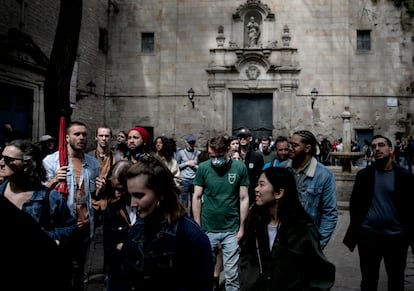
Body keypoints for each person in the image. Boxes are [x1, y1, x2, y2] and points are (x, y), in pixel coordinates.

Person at [122, 153, 214, 290]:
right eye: (130, 195)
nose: (133, 203)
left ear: (160, 193)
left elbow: (202, 284)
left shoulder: (190, 234)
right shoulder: (136, 230)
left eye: (139, 196)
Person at [239, 167, 335, 290]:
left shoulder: (302, 229)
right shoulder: (255, 222)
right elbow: (245, 257)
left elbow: (321, 273)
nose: (256, 189)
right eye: (257, 184)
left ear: (279, 193)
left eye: (262, 185)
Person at [0, 139, 76, 290]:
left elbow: (71, 228)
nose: (2, 162)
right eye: (1, 157)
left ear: (28, 165)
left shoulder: (50, 198)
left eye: (9, 160)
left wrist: (46, 236)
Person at [343, 135, 414, 291]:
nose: (376, 149)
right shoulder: (364, 175)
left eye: (381, 145)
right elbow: (355, 204)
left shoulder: (404, 176)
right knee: (368, 281)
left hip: (396, 237)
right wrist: (359, 229)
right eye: (374, 147)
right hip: (369, 236)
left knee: (396, 280)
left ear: (391, 149)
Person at [43, 120, 101, 291]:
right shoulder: (51, 161)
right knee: (60, 270)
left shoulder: (93, 164)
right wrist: (54, 181)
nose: (81, 138)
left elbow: (92, 194)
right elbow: (40, 195)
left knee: (79, 271)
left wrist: (100, 188)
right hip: (61, 225)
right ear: (67, 137)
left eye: (84, 134)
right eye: (77, 134)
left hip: (84, 224)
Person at [192, 135, 250, 291]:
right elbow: (196, 196)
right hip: (208, 228)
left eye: (219, 156)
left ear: (227, 151)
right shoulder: (204, 168)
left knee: (232, 276)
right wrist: (197, 225)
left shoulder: (239, 168)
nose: (216, 159)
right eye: (212, 156)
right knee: (206, 273)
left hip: (231, 228)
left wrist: (241, 227)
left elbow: (244, 198)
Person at [283, 129, 337, 249]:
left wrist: (317, 245)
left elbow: (330, 213)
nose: (289, 148)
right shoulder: (283, 169)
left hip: (307, 241)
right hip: (282, 239)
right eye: (289, 144)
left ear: (307, 148)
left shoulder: (323, 175)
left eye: (294, 145)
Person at [102, 159, 134, 291]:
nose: (117, 194)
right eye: (114, 189)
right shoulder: (112, 209)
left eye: (120, 189)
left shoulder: (146, 205)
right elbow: (108, 248)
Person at [88, 126, 117, 229]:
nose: (104, 138)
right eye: (101, 135)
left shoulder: (117, 158)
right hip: (92, 203)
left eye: (106, 136)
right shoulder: (88, 157)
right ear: (96, 137)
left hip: (109, 203)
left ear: (111, 138)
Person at [237, 128, 264, 206]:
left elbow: (260, 175)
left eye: (245, 137)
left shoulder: (257, 156)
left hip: (251, 193)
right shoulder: (234, 155)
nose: (242, 139)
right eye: (240, 137)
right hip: (236, 193)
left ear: (250, 138)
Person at [176, 134, 201, 210]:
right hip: (184, 180)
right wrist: (186, 164)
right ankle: (184, 218)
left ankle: (193, 218)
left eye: (193, 143)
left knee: (195, 200)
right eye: (190, 143)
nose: (191, 144)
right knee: (184, 201)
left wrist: (194, 166)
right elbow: (177, 166)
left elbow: (201, 167)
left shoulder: (198, 153)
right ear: (187, 143)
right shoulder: (181, 153)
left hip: (194, 180)